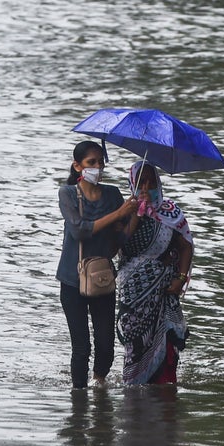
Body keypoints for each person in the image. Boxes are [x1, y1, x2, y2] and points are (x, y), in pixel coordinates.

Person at [56, 141, 139, 389]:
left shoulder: (113, 194)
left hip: (103, 277)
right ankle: (78, 399)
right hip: (72, 279)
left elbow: (119, 238)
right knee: (81, 346)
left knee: (105, 343)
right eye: (92, 162)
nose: (97, 167)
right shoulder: (68, 193)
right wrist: (119, 213)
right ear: (77, 165)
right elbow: (80, 231)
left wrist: (133, 215)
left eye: (101, 162)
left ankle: (99, 383)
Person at [116, 161, 194, 385]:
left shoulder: (170, 211)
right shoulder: (124, 211)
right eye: (141, 182)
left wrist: (180, 279)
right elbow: (119, 245)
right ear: (132, 184)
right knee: (135, 342)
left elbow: (185, 246)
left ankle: (165, 389)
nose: (147, 186)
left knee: (167, 343)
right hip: (133, 291)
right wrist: (137, 215)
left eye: (152, 181)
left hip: (164, 290)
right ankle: (134, 393)